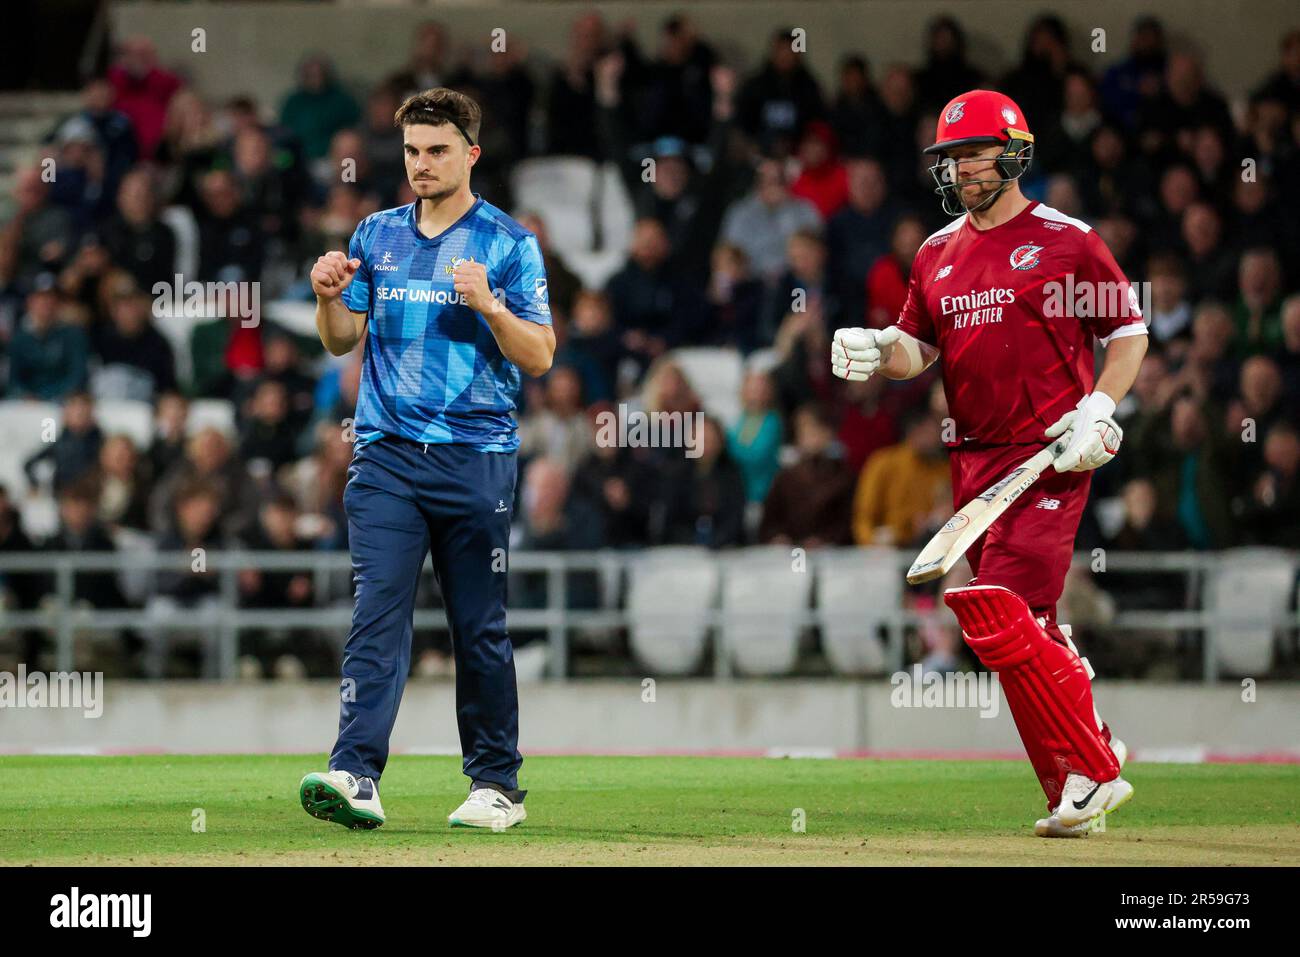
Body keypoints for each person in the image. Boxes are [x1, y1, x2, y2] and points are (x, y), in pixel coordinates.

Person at [831, 90, 1147, 838]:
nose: (961, 169)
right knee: (1014, 626)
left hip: (1050, 452)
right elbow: (919, 350)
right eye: (951, 158)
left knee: (999, 606)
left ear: (1014, 153)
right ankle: (1082, 768)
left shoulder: (1068, 241)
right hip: (972, 461)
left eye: (974, 154)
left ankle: (1094, 769)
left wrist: (1100, 406)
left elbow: (1128, 333)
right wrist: (879, 350)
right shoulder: (935, 253)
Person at [300, 88, 554, 833]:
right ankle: (355, 773)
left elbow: (540, 354)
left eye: (437, 150)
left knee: (478, 626)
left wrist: (491, 306)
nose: (421, 163)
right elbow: (340, 340)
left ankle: (496, 785)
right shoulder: (375, 233)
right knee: (376, 610)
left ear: (471, 153)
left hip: (476, 458)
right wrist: (328, 298)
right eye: (412, 150)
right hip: (385, 455)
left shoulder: (508, 243)